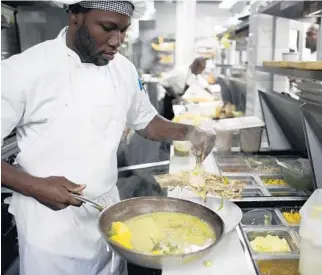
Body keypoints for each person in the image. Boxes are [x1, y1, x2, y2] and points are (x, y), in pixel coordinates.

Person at [1, 1, 215, 275]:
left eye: (124, 31)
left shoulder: (123, 69)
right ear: (75, 16)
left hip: (109, 215)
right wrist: (35, 186)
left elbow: (146, 122)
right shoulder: (23, 71)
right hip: (51, 226)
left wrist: (189, 132)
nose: (117, 41)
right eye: (107, 28)